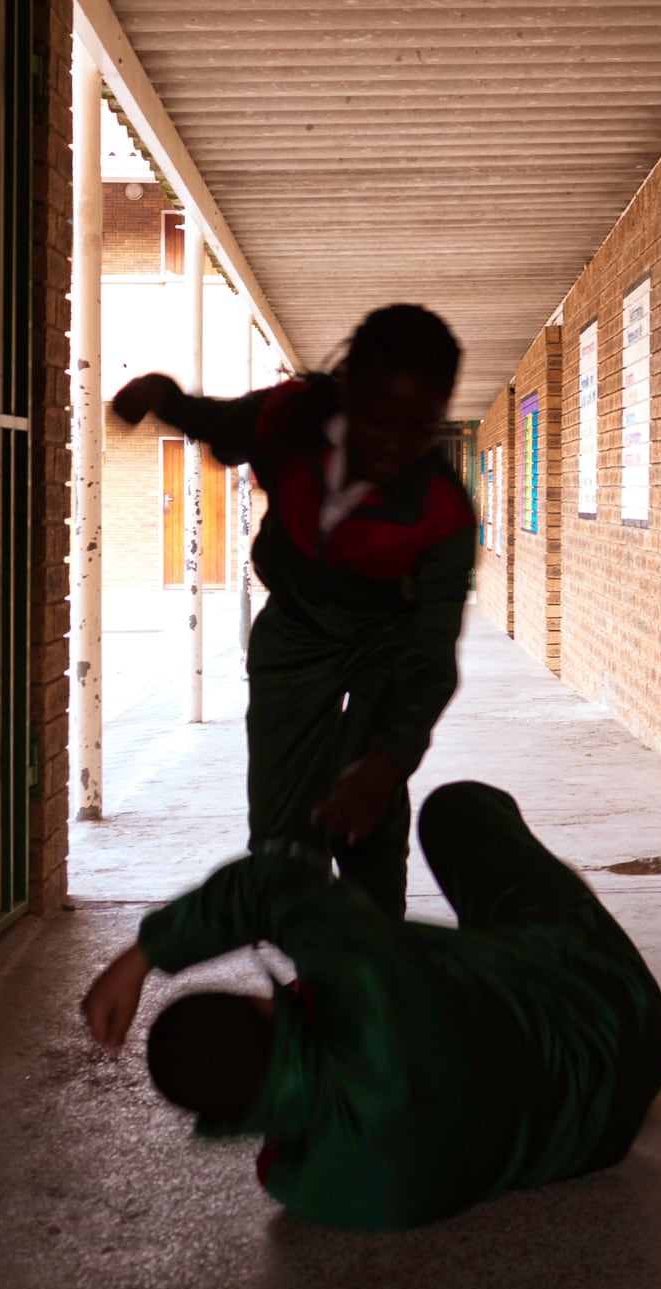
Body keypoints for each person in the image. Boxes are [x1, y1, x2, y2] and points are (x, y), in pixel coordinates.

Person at [80, 781, 661, 1231]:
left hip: (606, 1134)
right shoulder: (363, 979)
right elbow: (273, 887)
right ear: (263, 1010)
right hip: (607, 1001)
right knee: (457, 809)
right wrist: (140, 956)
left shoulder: (308, 1188)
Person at [111, 305, 477, 919]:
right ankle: (295, 935)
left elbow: (431, 656)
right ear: (347, 390)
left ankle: (369, 950)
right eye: (380, 418)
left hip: (386, 640)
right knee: (282, 826)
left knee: (368, 809)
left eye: (420, 427)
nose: (396, 445)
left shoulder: (440, 510)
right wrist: (159, 395)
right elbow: (217, 423)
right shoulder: (290, 419)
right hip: (298, 630)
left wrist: (384, 764)